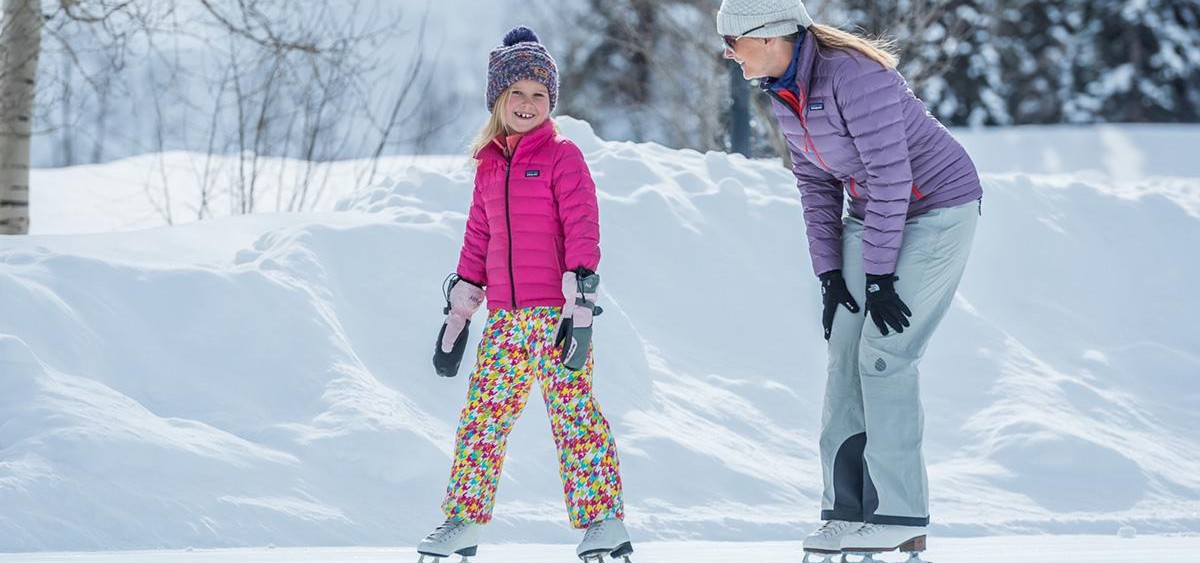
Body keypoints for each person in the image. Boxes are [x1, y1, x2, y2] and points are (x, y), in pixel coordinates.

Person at [716, 0, 983, 560]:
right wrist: (831, 273)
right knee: (844, 350)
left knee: (885, 355)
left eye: (732, 40)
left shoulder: (854, 74)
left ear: (767, 37)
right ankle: (846, 510)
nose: (726, 52)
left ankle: (899, 513)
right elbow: (815, 186)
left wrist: (881, 277)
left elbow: (891, 175)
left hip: (937, 208)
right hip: (874, 214)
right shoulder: (784, 92)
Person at [417, 26, 632, 563]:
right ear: (499, 99)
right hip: (506, 320)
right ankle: (462, 523)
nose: (529, 104)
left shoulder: (563, 157)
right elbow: (477, 239)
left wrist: (580, 302)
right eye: (518, 94)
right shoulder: (488, 166)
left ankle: (604, 523)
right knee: (482, 419)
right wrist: (459, 315)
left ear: (551, 102)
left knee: (574, 416)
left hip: (556, 316)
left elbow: (583, 227)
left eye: (540, 94)